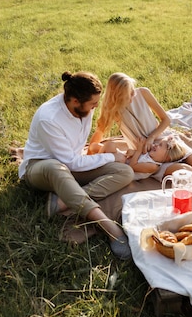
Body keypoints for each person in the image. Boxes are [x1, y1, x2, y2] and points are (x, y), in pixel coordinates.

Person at [19, 71, 134, 260]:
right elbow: (70, 162)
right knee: (57, 167)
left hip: (72, 165)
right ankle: (110, 228)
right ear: (74, 101)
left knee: (125, 172)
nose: (96, 107)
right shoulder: (49, 119)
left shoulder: (85, 107)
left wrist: (111, 157)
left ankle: (62, 202)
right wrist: (111, 156)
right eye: (93, 105)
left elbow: (75, 159)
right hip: (41, 169)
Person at [94, 135, 186, 180]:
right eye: (158, 143)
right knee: (106, 145)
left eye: (160, 145)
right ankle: (95, 157)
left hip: (122, 168)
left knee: (109, 146)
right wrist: (132, 152)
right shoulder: (150, 154)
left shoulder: (153, 166)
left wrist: (138, 150)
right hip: (123, 159)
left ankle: (95, 163)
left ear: (167, 158)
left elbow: (132, 166)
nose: (156, 145)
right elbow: (137, 156)